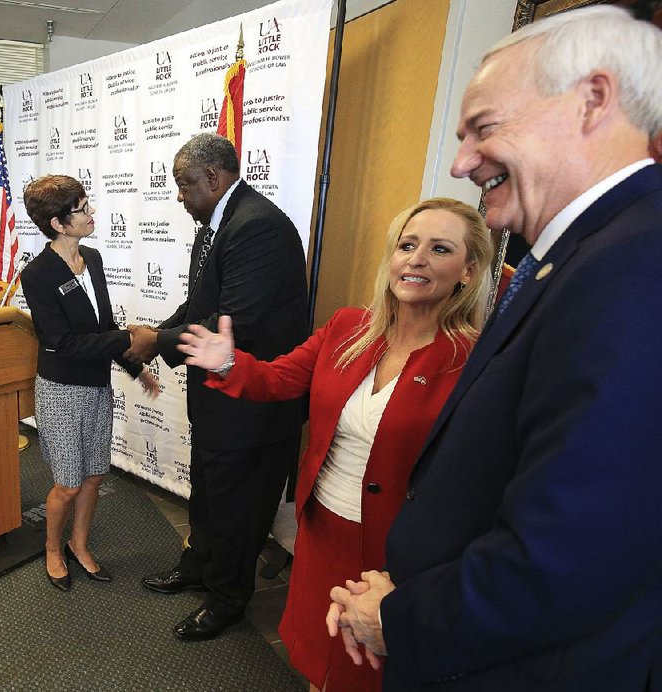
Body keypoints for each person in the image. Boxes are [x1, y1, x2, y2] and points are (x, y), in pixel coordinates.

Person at [327, 6, 662, 691]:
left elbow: (570, 555)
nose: (460, 162)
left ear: (592, 100)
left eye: (484, 129)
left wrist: (400, 618)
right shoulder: (576, 256)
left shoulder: (634, 266)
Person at [177, 197, 493, 690]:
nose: (416, 259)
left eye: (440, 249)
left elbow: (474, 483)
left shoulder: (473, 360)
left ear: (468, 272)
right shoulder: (347, 327)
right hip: (322, 529)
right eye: (407, 245)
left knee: (366, 672)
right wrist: (227, 363)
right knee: (318, 659)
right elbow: (277, 381)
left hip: (397, 556)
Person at [128, 133, 308, 640]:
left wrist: (156, 340)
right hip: (218, 400)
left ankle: (227, 599)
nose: (179, 196)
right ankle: (198, 568)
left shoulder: (258, 227)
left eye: (185, 185)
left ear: (214, 177)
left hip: (252, 404)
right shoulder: (217, 223)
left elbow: (236, 322)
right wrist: (157, 336)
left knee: (238, 507)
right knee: (209, 491)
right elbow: (199, 304)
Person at [21, 174, 159, 592]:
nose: (91, 212)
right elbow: (62, 343)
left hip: (97, 387)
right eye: (82, 208)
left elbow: (103, 328)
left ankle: (80, 546)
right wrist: (129, 338)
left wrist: (135, 366)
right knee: (68, 482)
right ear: (59, 224)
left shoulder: (93, 259)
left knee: (95, 475)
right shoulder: (38, 275)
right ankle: (52, 549)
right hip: (61, 391)